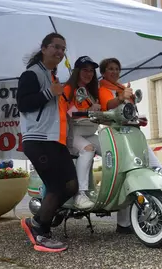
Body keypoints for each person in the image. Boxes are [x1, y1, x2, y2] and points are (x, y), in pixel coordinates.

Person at [16, 32, 78, 252]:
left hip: (56, 140)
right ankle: (40, 232)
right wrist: (49, 93)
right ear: (44, 48)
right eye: (56, 47)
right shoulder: (31, 75)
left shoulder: (53, 77)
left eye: (63, 48)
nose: (60, 52)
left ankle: (37, 221)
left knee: (71, 186)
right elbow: (23, 104)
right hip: (39, 140)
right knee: (56, 185)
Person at [98, 57, 162, 234]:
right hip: (117, 135)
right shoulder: (104, 89)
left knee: (157, 167)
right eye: (110, 69)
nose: (114, 71)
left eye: (116, 68)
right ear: (104, 72)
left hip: (133, 133)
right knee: (123, 176)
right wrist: (121, 97)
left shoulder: (123, 88)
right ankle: (123, 223)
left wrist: (138, 116)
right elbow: (108, 106)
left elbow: (129, 112)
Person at [63, 56, 102, 209]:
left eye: (91, 71)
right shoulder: (69, 89)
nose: (89, 73)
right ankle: (80, 193)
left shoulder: (90, 92)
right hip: (73, 134)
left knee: (113, 148)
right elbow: (69, 112)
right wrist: (88, 111)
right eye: (85, 70)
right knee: (88, 149)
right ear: (77, 71)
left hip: (90, 131)